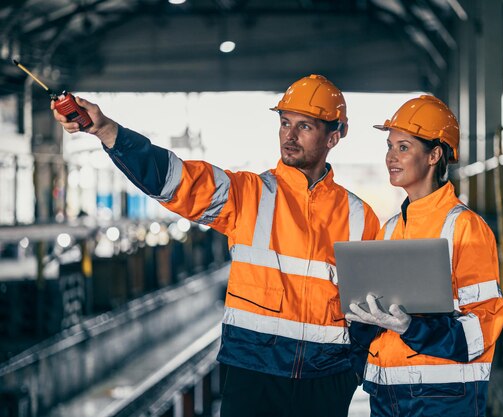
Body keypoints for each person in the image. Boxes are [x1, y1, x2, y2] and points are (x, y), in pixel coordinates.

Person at [52, 74, 380, 417]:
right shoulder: (248, 195)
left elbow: (369, 308)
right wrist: (106, 130)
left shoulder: (359, 216)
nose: (289, 135)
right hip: (252, 374)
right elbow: (173, 179)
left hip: (324, 382)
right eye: (285, 123)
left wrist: (350, 371)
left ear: (335, 135)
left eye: (305, 126)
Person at [346, 95, 503, 417]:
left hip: (441, 397)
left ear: (434, 155)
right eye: (389, 146)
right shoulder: (390, 228)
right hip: (385, 392)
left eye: (403, 147)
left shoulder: (465, 227)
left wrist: (413, 328)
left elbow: (484, 327)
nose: (391, 157)